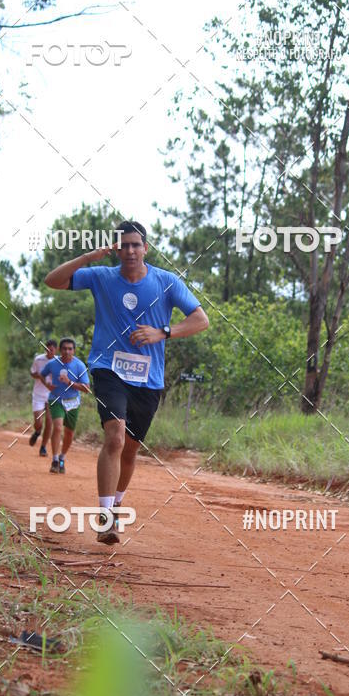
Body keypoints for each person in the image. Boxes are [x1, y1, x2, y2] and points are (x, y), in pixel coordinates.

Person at [44, 220, 209, 545]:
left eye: (136, 245)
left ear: (145, 248)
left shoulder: (166, 281)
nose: (131, 250)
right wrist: (87, 258)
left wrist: (163, 332)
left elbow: (201, 320)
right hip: (108, 370)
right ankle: (105, 518)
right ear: (116, 249)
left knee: (130, 451)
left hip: (149, 380)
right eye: (124, 245)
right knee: (115, 438)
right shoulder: (102, 276)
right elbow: (52, 280)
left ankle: (117, 505)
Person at [40, 337, 90, 474]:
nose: (67, 351)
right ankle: (55, 460)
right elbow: (42, 375)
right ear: (60, 350)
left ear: (74, 351)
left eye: (70, 349)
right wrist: (47, 385)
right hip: (56, 399)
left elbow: (87, 388)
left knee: (69, 432)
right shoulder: (52, 364)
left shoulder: (79, 366)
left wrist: (70, 383)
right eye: (64, 349)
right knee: (57, 427)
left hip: (73, 402)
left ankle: (62, 457)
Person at [29, 339, 57, 456]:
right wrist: (40, 376)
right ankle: (37, 431)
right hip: (39, 395)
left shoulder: (59, 362)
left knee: (50, 422)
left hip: (52, 396)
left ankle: (43, 447)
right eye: (47, 349)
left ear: (56, 350)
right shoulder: (39, 359)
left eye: (51, 350)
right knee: (38, 422)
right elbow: (32, 373)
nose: (49, 352)